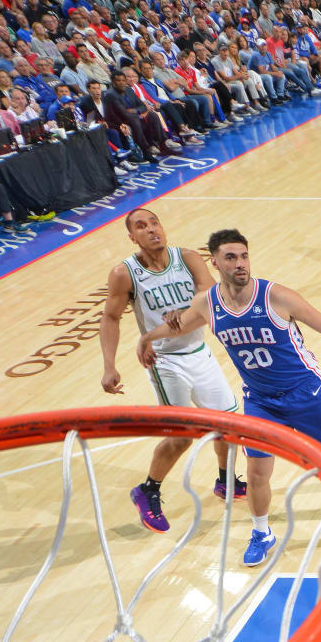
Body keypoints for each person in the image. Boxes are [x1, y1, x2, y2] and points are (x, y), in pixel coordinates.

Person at [137, 228, 321, 565]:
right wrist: (148, 337)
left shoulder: (276, 296)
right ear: (216, 262)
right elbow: (181, 324)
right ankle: (261, 532)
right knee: (256, 472)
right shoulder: (207, 303)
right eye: (231, 257)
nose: (240, 263)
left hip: (305, 391)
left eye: (244, 256)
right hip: (261, 400)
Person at [102, 208, 244, 531]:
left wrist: (184, 309)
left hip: (199, 352)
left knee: (229, 424)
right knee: (181, 438)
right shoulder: (124, 274)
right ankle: (147, 490)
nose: (152, 230)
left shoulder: (189, 258)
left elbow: (210, 294)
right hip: (165, 363)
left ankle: (225, 480)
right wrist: (109, 365)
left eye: (154, 223)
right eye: (142, 226)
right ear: (132, 237)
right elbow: (110, 318)